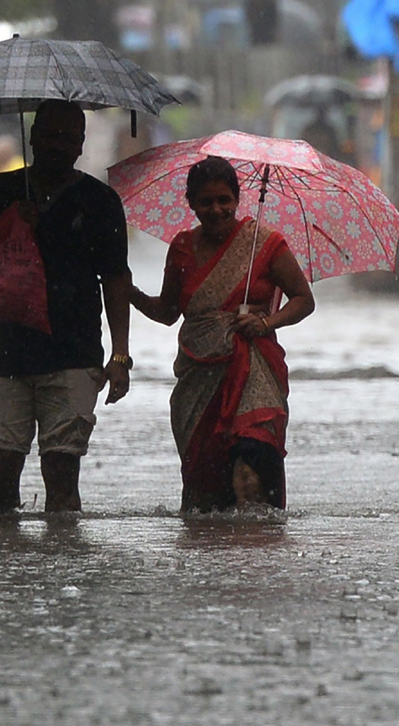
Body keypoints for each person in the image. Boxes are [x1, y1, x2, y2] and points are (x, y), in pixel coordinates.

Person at [0, 99, 143, 516]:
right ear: (33, 136)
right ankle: (6, 566)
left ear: (81, 144)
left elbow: (115, 279)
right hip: (9, 351)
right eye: (50, 136)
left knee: (62, 471)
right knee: (1, 469)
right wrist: (9, 227)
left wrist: (120, 356)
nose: (58, 146)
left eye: (69, 138)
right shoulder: (0, 190)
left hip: (74, 352)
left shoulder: (100, 201)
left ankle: (63, 563)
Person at [129, 155, 315, 513]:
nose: (216, 209)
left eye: (224, 200)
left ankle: (258, 556)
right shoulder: (182, 248)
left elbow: (304, 300)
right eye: (205, 202)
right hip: (199, 380)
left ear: (237, 199)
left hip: (254, 371)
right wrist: (131, 295)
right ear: (191, 204)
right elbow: (168, 313)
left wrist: (265, 323)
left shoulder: (265, 244)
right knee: (207, 482)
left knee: (252, 458)